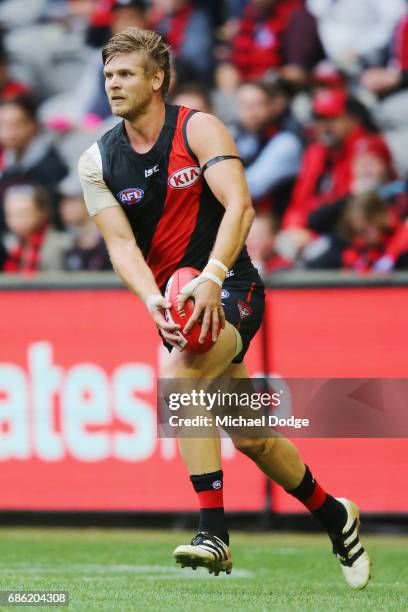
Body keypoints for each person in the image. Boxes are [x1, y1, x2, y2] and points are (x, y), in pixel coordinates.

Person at [78, 26, 370, 589]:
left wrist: (211, 276)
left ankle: (214, 532)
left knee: (180, 382)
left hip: (231, 285)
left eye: (127, 73)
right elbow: (119, 244)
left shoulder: (199, 128)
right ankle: (339, 517)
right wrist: (150, 299)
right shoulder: (97, 161)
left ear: (157, 79)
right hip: (179, 305)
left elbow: (241, 203)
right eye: (108, 75)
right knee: (251, 435)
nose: (114, 84)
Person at [2, 184, 70, 273]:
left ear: (42, 211)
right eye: (10, 214)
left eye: (23, 213)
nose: (16, 221)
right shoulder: (7, 244)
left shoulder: (61, 244)